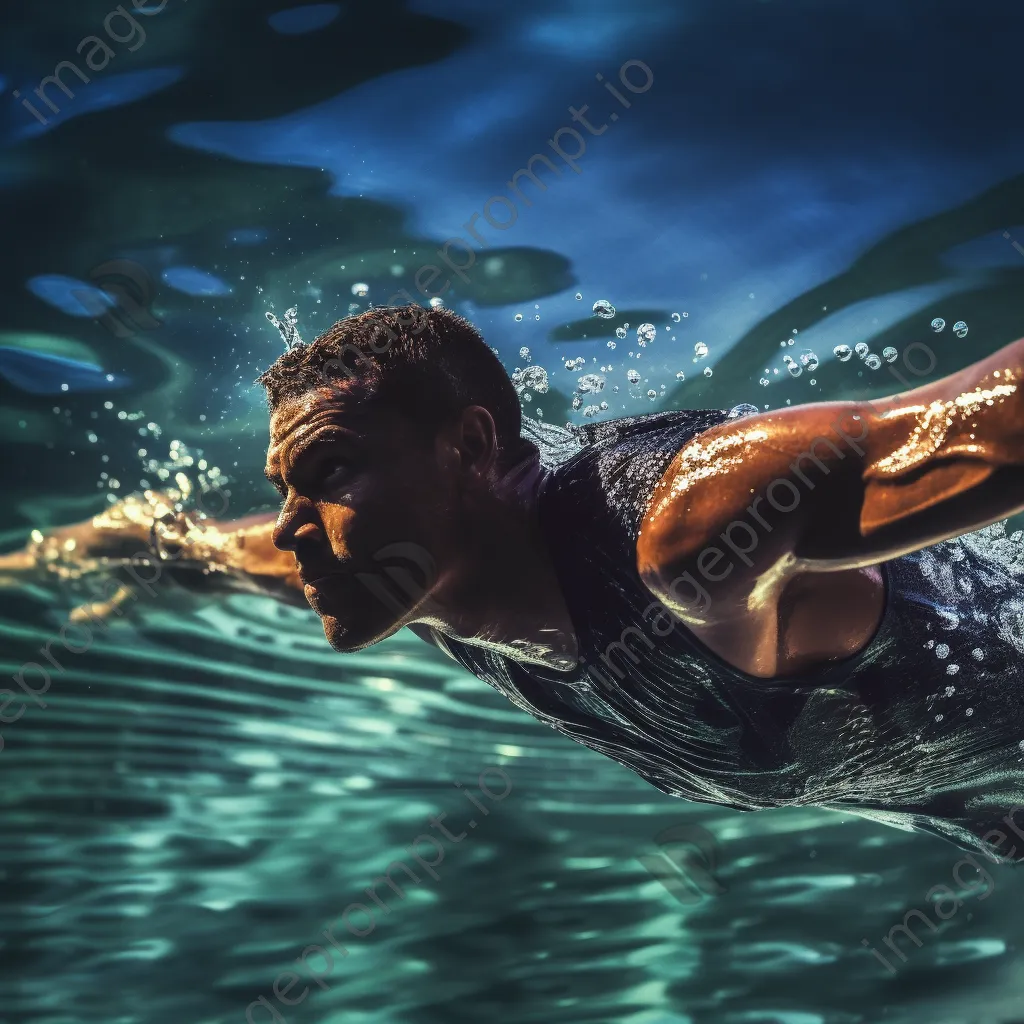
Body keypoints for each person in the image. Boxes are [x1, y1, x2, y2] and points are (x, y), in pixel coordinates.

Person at [5, 304, 1024, 861]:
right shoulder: (398, 574)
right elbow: (182, 543)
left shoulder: (692, 530)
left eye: (324, 476)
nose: (289, 531)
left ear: (470, 443)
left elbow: (977, 426)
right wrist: (46, 564)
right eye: (284, 490)